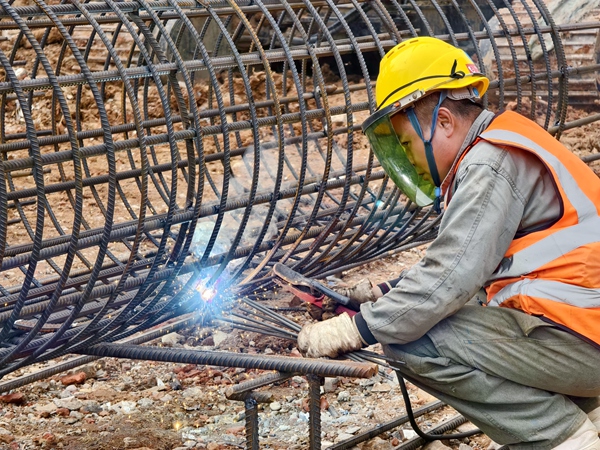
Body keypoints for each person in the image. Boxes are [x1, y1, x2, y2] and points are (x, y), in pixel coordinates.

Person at [296, 36, 600, 449]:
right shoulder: (504, 141)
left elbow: (449, 278)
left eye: (407, 145)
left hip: (584, 342)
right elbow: (479, 262)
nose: (411, 159)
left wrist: (358, 328)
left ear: (443, 122)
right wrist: (388, 291)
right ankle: (583, 408)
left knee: (412, 339)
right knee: (433, 311)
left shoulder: (490, 162)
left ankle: (562, 437)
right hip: (585, 334)